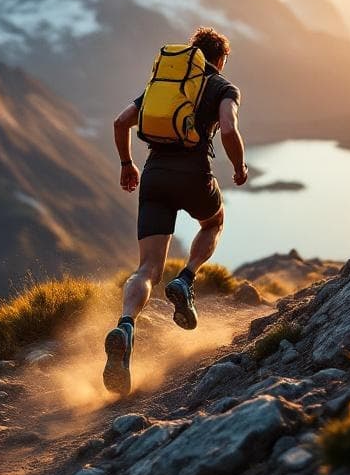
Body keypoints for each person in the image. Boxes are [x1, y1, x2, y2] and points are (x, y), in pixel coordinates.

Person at [103, 27, 248, 395]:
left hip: (153, 177)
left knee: (147, 269)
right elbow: (228, 129)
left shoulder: (163, 82)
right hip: (194, 175)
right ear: (220, 59)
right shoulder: (223, 87)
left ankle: (125, 326)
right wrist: (239, 167)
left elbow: (121, 122)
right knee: (214, 222)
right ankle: (185, 278)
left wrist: (126, 164)